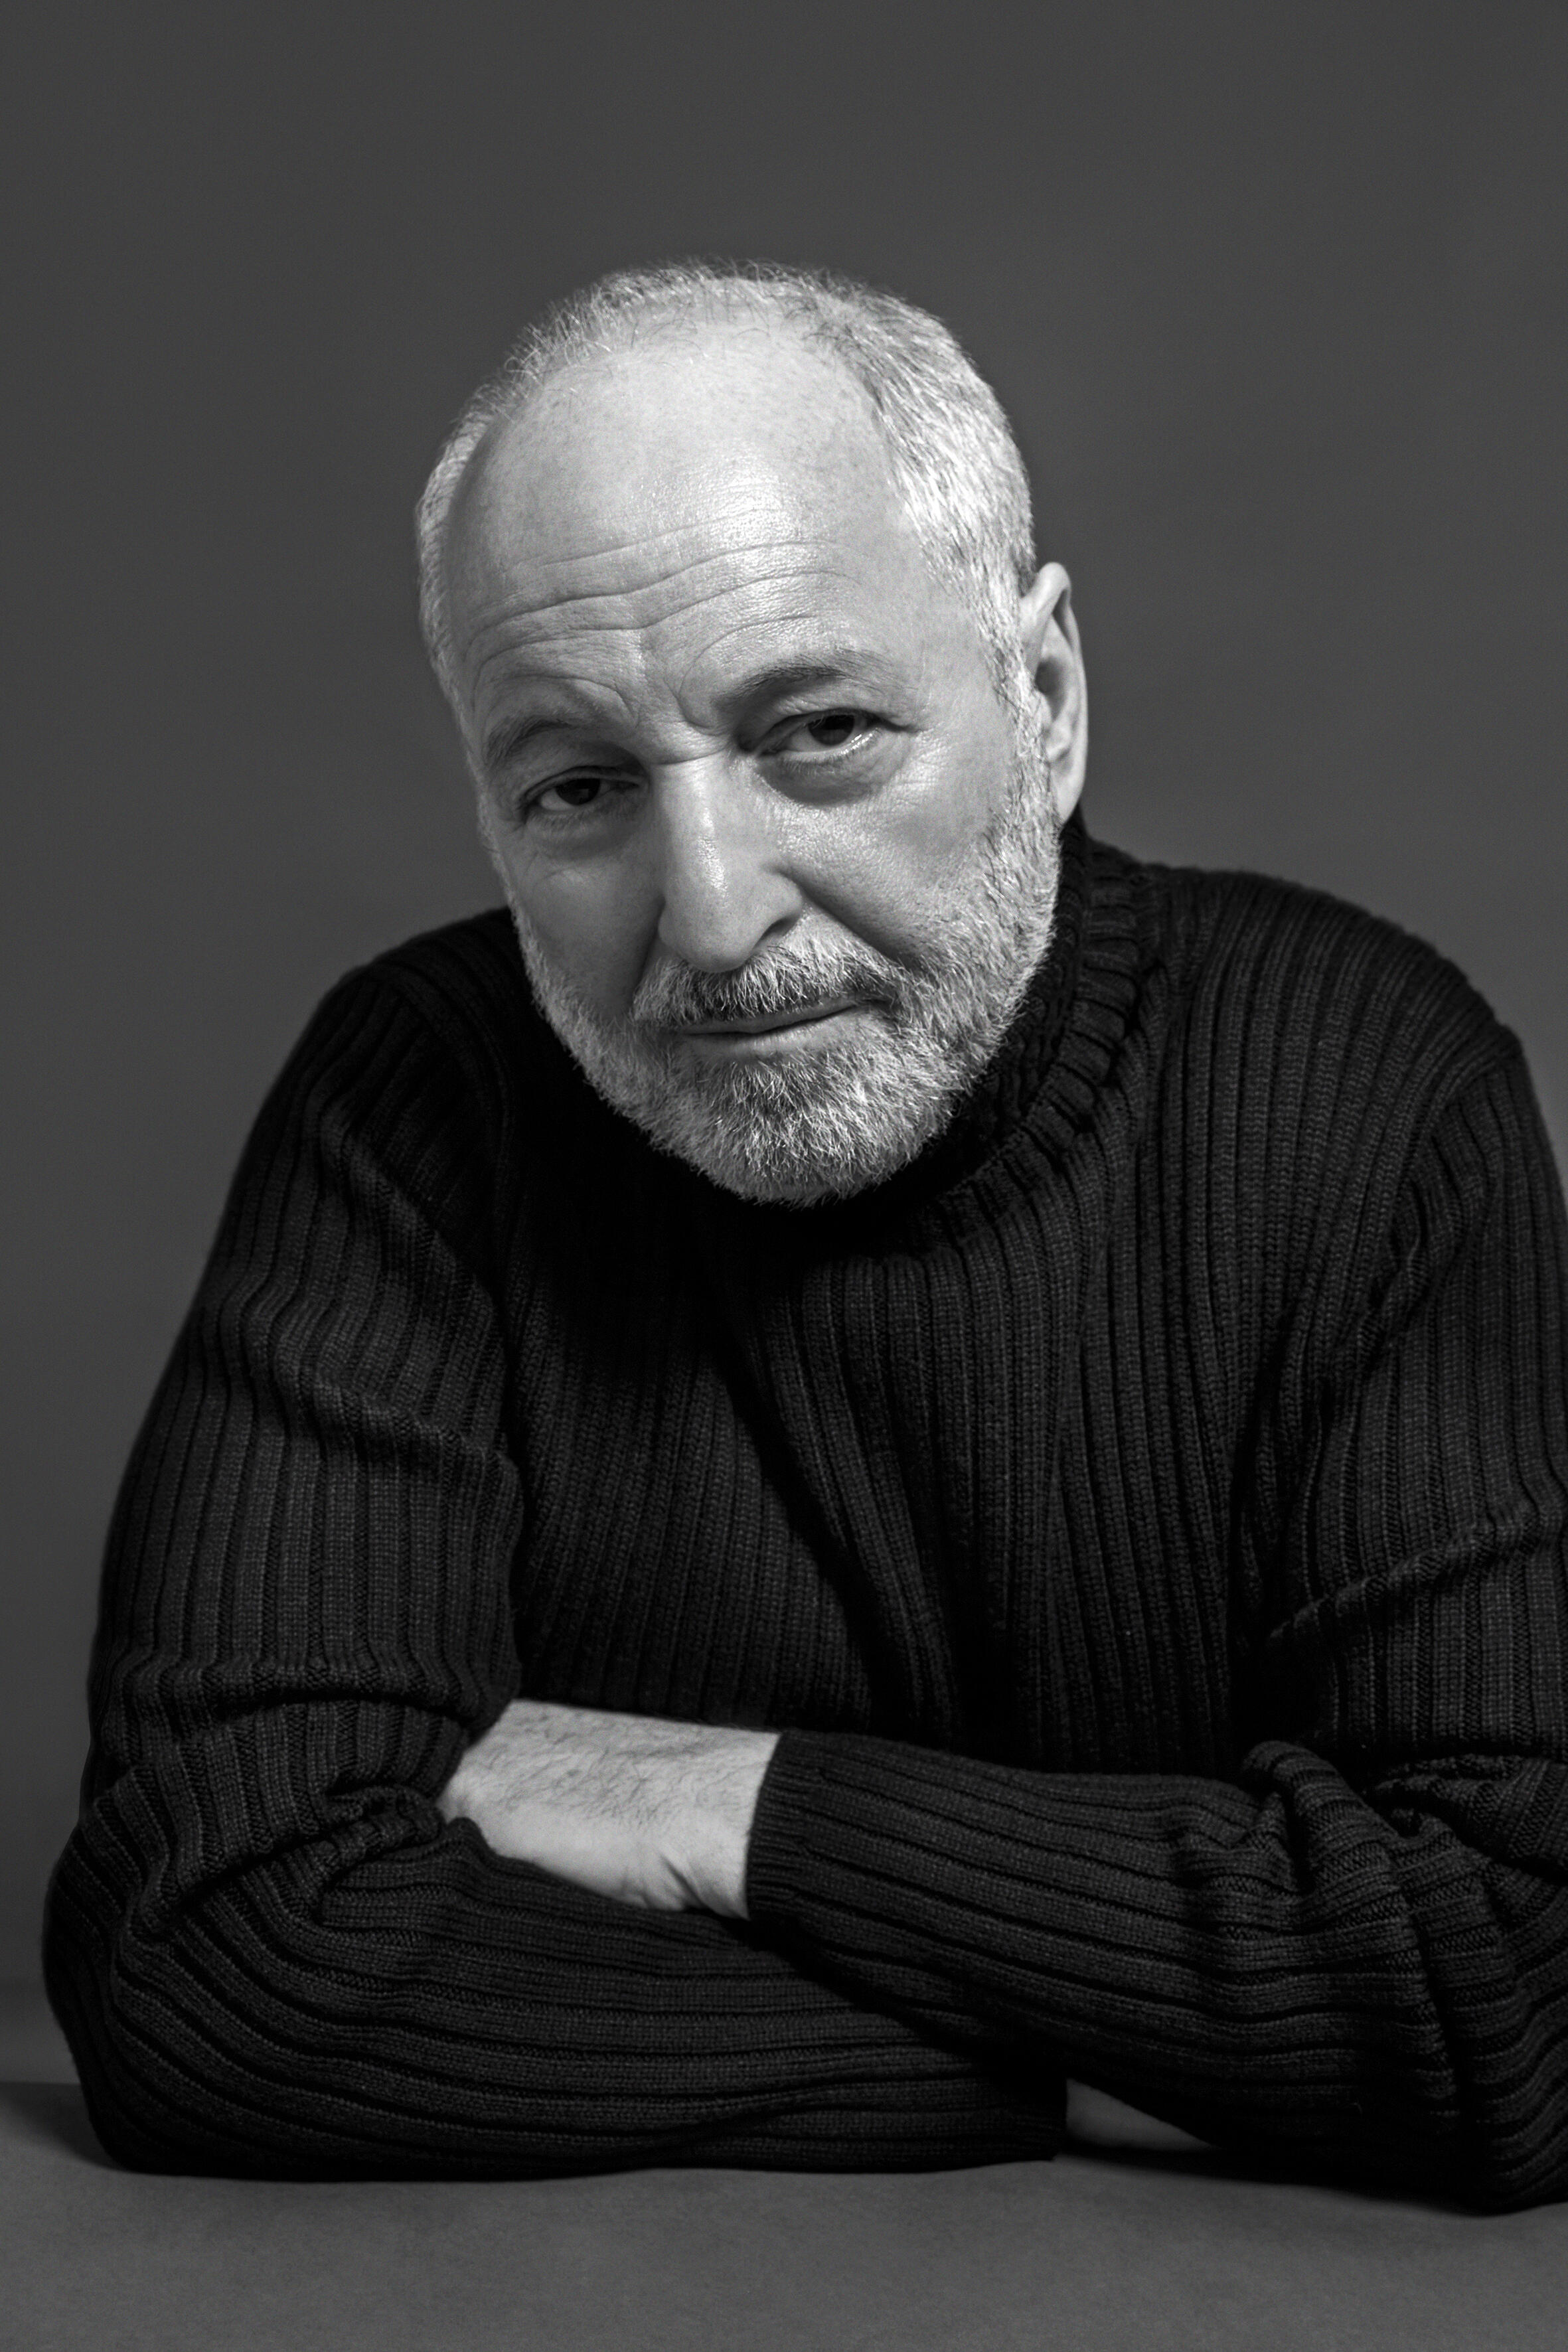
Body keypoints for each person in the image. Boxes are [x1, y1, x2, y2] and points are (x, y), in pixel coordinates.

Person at [44, 262, 1568, 2209]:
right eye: (579, 785)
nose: (709, 914)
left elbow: (1506, 1987)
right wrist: (1108, 2040)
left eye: (822, 732)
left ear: (1043, 699)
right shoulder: (418, 1102)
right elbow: (207, 1958)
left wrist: (733, 1807)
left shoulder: (1362, 1086)